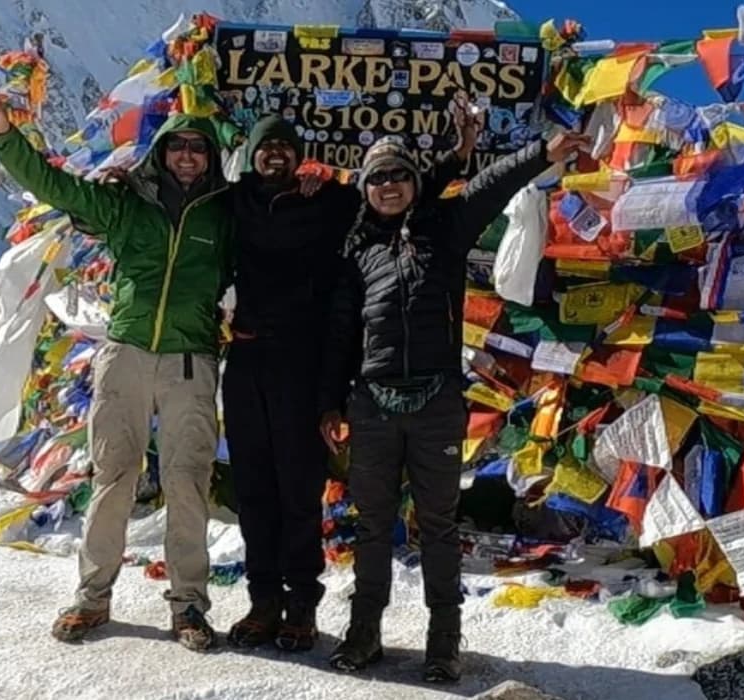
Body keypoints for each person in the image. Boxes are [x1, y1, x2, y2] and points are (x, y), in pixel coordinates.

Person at [318, 128, 588, 682]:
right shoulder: (356, 251)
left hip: (437, 401)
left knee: (438, 524)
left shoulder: (447, 226)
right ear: (365, 188)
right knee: (372, 524)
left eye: (398, 175)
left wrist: (541, 154)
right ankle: (363, 633)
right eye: (377, 178)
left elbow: (493, 184)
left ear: (415, 183)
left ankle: (444, 643)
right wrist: (330, 403)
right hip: (371, 402)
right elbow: (341, 333)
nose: (388, 186)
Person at [221, 106, 482, 653]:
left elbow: (401, 186)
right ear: (251, 155)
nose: (275, 155)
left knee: (299, 489)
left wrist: (458, 154)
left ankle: (302, 607)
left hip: (303, 362)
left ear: (300, 157)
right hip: (246, 363)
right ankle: (263, 600)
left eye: (286, 147)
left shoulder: (334, 202)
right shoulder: (232, 202)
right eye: (266, 147)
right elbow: (179, 197)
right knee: (253, 489)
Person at [0, 96, 229, 651]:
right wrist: (8, 141)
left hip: (192, 359)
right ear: (161, 153)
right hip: (126, 353)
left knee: (188, 481)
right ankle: (92, 597)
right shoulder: (125, 203)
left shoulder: (225, 212)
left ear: (213, 157)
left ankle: (189, 606)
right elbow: (58, 188)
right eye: (178, 146)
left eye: (198, 147)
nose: (187, 156)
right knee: (113, 476)